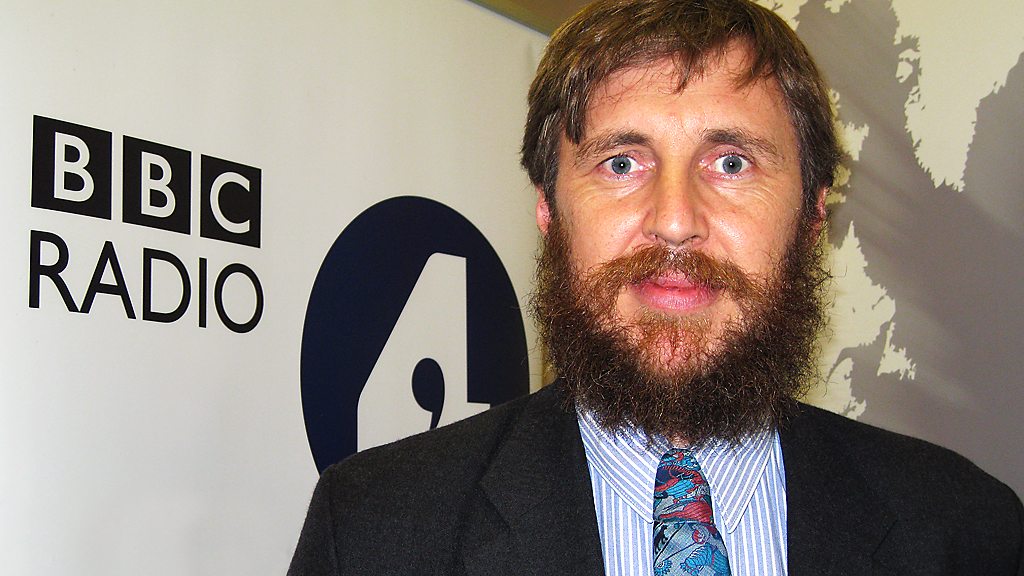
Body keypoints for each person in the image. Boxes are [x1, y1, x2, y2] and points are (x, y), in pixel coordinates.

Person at [288, 0, 1024, 574]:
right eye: (621, 164)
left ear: (811, 216)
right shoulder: (375, 530)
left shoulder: (968, 531)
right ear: (549, 210)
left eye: (731, 163)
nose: (674, 221)